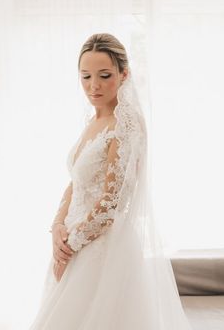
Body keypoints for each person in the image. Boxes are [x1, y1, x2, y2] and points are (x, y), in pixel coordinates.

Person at [28, 33, 193, 329]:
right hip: (72, 240)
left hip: (101, 249)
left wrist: (70, 247)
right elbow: (75, 182)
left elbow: (112, 202)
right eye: (86, 76)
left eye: (104, 75)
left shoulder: (126, 123)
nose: (94, 86)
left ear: (124, 73)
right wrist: (56, 227)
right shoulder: (93, 121)